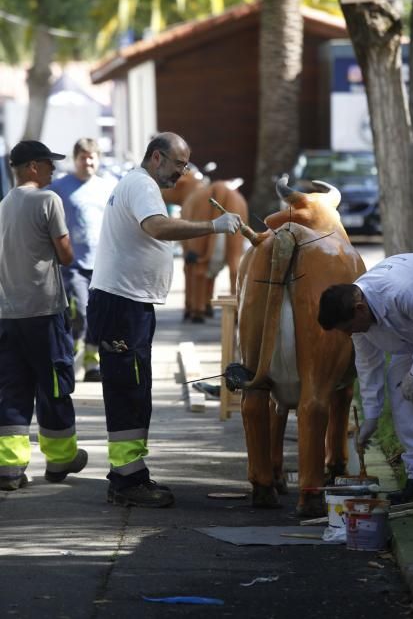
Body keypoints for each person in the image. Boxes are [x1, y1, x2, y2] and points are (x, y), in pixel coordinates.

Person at [87, 132, 242, 509]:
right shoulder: (141, 185)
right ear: (157, 158)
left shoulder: (138, 184)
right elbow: (157, 227)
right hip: (122, 304)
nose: (182, 172)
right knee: (128, 388)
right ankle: (127, 482)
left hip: (128, 303)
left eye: (186, 165)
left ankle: (130, 473)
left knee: (134, 387)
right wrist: (213, 226)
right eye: (178, 164)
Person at [317, 253, 413, 503]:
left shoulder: (400, 289)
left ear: (360, 309)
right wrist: (371, 418)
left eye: (347, 329)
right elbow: (368, 365)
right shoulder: (357, 316)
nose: (347, 335)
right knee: (398, 382)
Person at [0, 140, 88, 491]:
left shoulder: (3, 206)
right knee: (54, 385)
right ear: (32, 166)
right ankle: (60, 458)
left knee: (11, 390)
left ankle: (9, 468)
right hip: (44, 310)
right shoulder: (48, 200)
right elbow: (66, 256)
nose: (54, 169)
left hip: (7, 315)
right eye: (49, 163)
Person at [50, 138, 117, 381]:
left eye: (92, 157)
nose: (87, 162)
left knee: (98, 314)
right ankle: (75, 345)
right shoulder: (58, 188)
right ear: (75, 159)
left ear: (98, 159)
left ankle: (91, 362)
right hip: (72, 265)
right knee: (81, 312)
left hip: (102, 264)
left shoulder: (109, 187)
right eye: (82, 157)